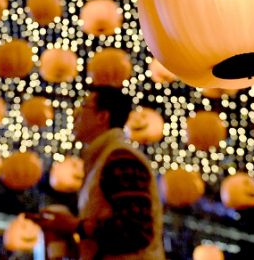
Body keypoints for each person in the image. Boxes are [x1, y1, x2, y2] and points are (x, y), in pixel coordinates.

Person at [29, 86, 165, 259]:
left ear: (102, 117)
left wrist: (74, 225)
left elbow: (136, 231)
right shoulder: (102, 159)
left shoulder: (120, 158)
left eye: (83, 107)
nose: (75, 115)